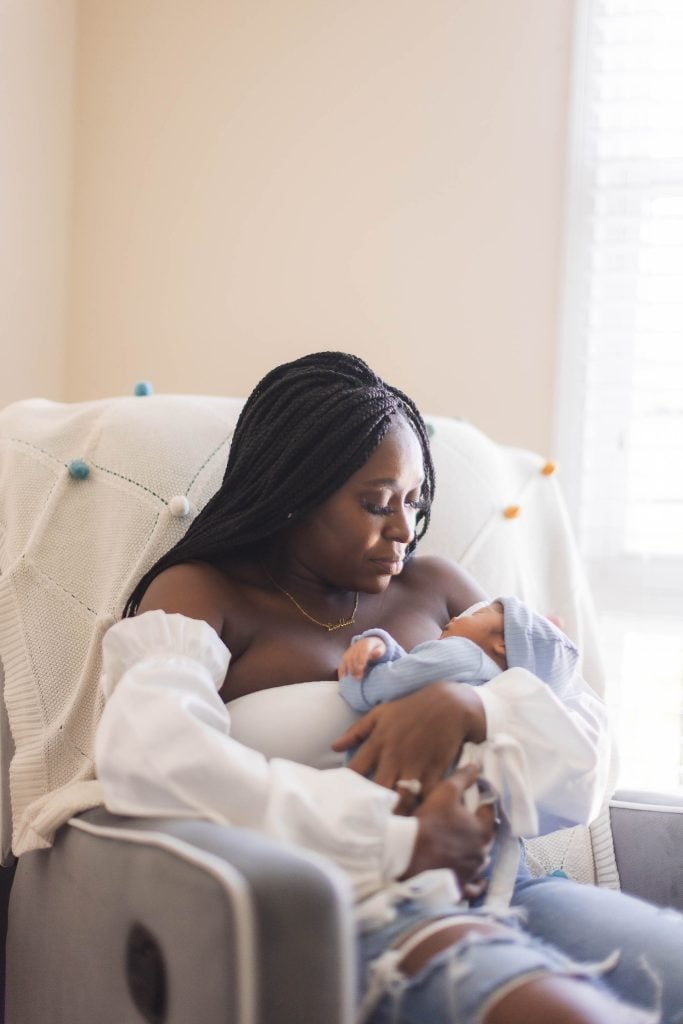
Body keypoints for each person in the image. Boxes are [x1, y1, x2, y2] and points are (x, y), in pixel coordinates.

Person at [94, 352, 682, 1024]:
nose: (403, 530)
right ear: (294, 490)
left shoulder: (440, 589)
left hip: (512, 888)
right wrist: (395, 840)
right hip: (364, 900)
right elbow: (151, 756)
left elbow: (590, 754)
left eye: (414, 502)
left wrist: (472, 707)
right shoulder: (206, 594)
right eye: (376, 504)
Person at [337, 597, 584, 855]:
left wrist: (364, 653)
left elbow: (379, 687)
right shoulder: (494, 690)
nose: (457, 617)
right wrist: (387, 650)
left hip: (392, 809)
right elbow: (411, 677)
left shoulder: (463, 653)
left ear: (502, 643)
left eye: (479, 614)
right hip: (467, 828)